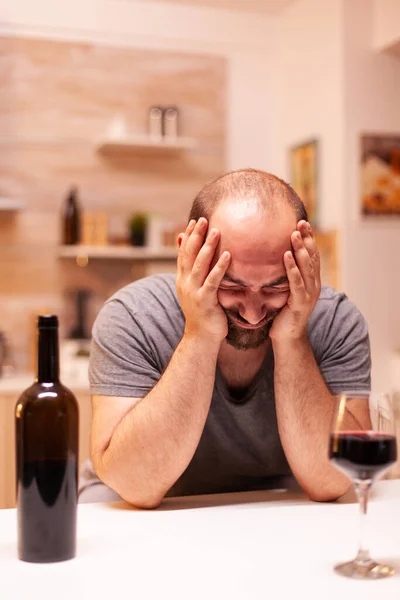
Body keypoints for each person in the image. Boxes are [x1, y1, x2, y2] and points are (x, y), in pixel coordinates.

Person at [79, 169, 371, 508]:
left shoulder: (336, 320)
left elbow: (335, 479)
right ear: (187, 253)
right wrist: (199, 333)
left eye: (276, 286)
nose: (252, 313)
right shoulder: (133, 315)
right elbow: (135, 485)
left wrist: (293, 337)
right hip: (137, 510)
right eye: (230, 285)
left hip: (275, 507)